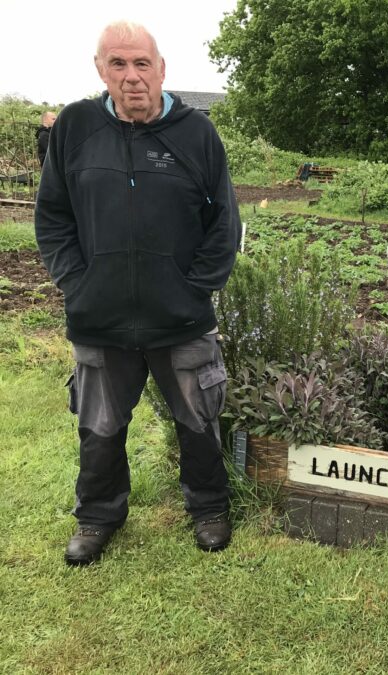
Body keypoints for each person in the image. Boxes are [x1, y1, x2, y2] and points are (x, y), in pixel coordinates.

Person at [35, 21, 241, 566]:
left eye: (142, 64)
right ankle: (98, 515)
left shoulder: (197, 133)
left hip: (180, 319)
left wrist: (194, 289)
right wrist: (76, 283)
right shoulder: (75, 127)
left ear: (161, 69)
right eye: (118, 64)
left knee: (198, 419)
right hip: (99, 319)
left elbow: (224, 224)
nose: (132, 77)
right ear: (100, 70)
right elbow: (52, 216)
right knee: (99, 427)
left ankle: (209, 508)